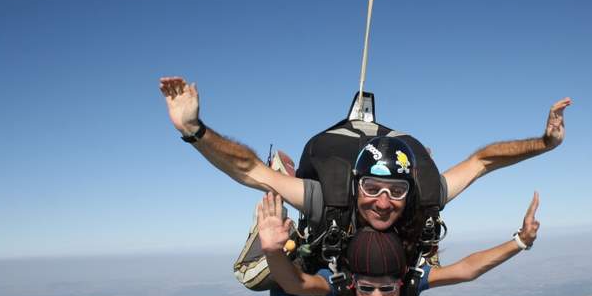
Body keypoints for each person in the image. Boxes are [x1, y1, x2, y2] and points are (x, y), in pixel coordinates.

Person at [158, 76, 570, 214]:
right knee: (277, 188)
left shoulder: (422, 195)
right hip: (327, 215)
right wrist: (194, 130)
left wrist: (545, 144)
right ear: (356, 185)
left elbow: (483, 161)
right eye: (373, 188)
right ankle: (289, 174)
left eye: (395, 190)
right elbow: (248, 170)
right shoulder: (330, 199)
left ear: (409, 189)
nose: (384, 201)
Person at [258, 190, 541, 296]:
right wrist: (273, 252)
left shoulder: (410, 283)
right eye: (367, 288)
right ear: (354, 283)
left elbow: (467, 270)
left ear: (401, 281)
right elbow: (296, 283)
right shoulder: (336, 288)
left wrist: (520, 242)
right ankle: (292, 250)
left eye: (387, 289)